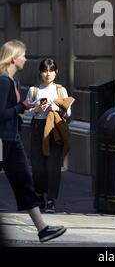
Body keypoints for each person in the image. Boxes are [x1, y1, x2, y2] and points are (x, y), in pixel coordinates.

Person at [0, 40, 66, 243]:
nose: (26, 59)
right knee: (24, 182)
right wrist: (22, 106)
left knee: (24, 183)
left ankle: (42, 228)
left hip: (11, 139)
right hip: (5, 141)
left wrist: (22, 106)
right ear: (13, 58)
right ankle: (42, 228)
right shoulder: (4, 81)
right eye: (23, 55)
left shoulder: (11, 80)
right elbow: (1, 113)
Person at [25, 58, 72, 214]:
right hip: (38, 127)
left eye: (51, 71)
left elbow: (69, 112)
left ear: (56, 72)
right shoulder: (34, 90)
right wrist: (37, 109)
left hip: (54, 129)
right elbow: (26, 112)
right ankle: (40, 195)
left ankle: (51, 200)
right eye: (45, 71)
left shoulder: (61, 90)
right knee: (37, 166)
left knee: (53, 166)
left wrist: (56, 108)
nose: (48, 74)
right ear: (40, 72)